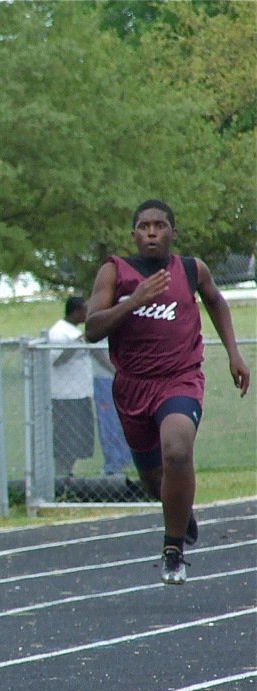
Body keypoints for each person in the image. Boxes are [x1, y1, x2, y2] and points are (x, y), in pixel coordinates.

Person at [85, 199, 249, 585]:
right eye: (144, 226)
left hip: (180, 378)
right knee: (153, 478)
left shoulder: (191, 269)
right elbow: (91, 328)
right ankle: (181, 510)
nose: (152, 232)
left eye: (160, 225)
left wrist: (233, 353)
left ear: (173, 232)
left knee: (177, 448)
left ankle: (173, 549)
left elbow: (215, 300)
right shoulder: (115, 271)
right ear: (134, 234)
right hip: (132, 386)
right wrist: (135, 301)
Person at [47, 296, 95, 477]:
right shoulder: (59, 332)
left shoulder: (76, 332)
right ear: (75, 311)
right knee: (65, 441)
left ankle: (68, 473)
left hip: (81, 394)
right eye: (85, 309)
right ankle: (61, 475)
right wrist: (77, 342)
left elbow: (96, 355)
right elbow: (57, 360)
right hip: (65, 397)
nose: (87, 313)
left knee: (79, 441)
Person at [90, 341, 130, 475]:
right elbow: (96, 352)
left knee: (126, 421)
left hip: (127, 380)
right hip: (105, 379)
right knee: (109, 423)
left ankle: (126, 462)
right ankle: (112, 465)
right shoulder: (102, 323)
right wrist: (116, 370)